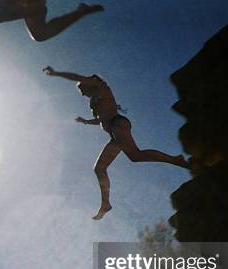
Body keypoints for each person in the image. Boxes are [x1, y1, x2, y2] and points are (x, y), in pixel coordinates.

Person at [43, 66, 189, 220]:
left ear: (87, 83)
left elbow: (77, 77)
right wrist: (86, 122)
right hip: (113, 132)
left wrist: (56, 73)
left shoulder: (101, 87)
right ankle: (105, 203)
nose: (82, 93)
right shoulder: (94, 101)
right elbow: (101, 119)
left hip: (118, 124)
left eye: (81, 89)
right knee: (100, 168)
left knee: (135, 155)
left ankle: (175, 159)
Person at [0, 1, 104, 42]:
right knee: (40, 35)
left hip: (32, 7)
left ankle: (81, 11)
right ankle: (81, 11)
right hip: (31, 8)